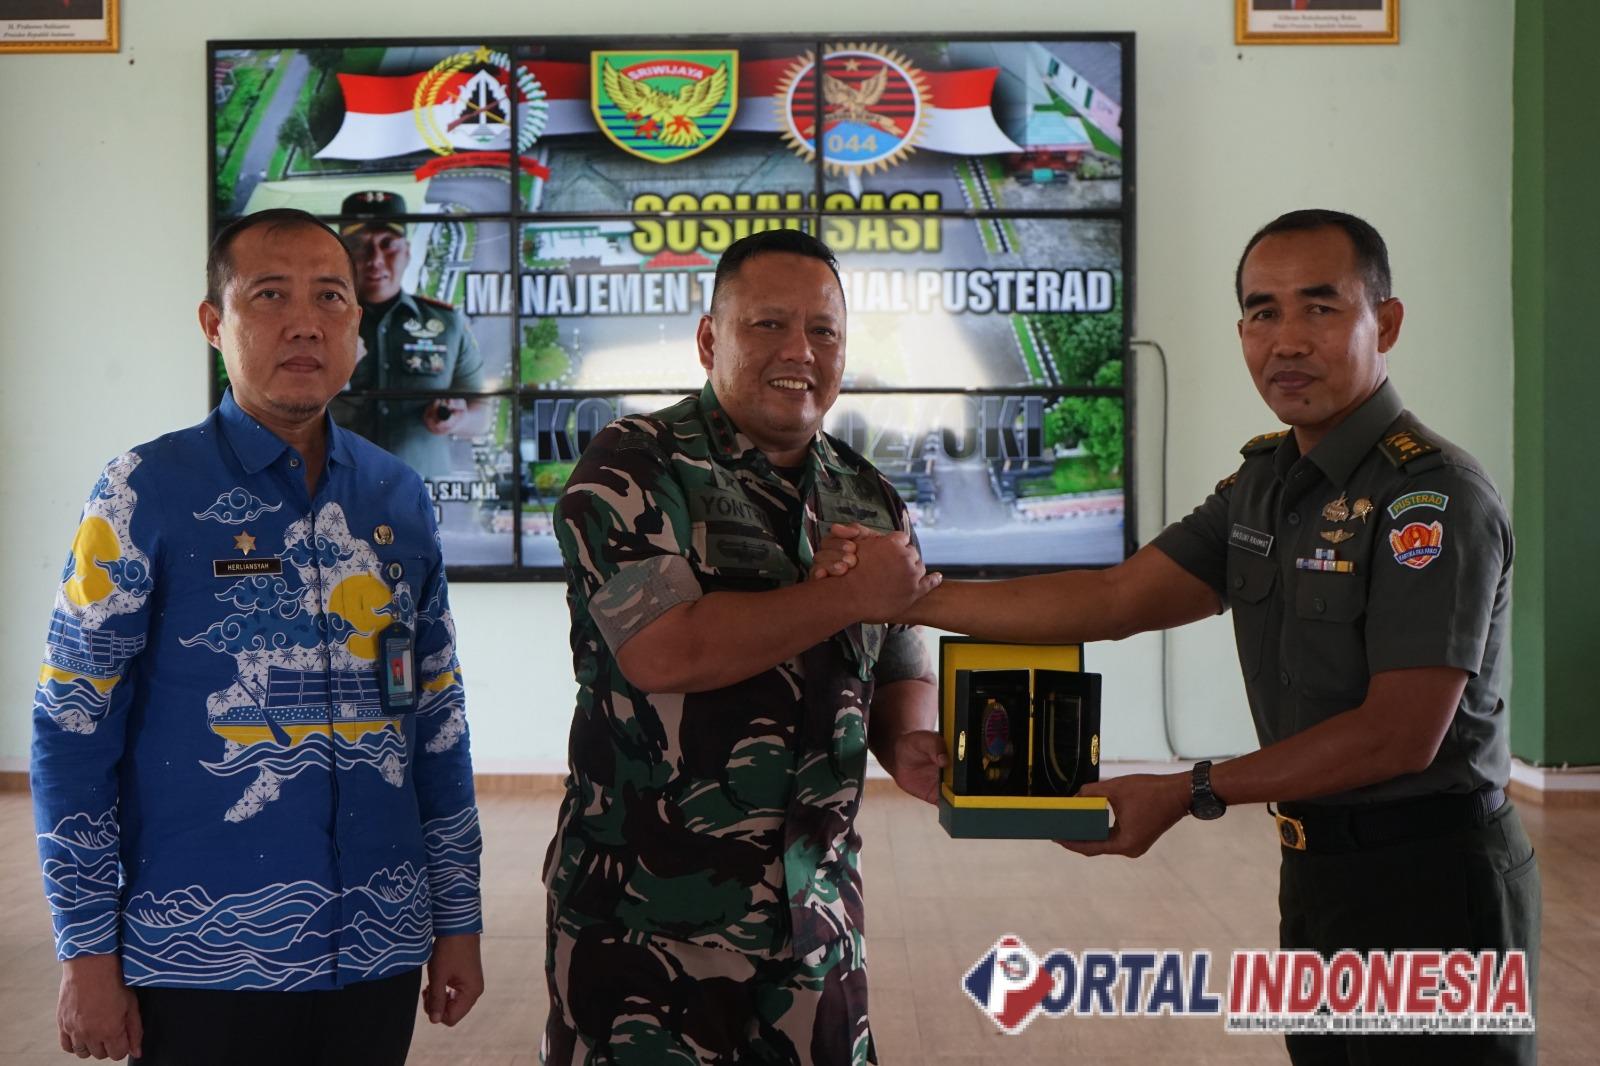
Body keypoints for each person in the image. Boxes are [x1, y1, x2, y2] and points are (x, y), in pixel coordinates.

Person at [826, 209, 1538, 1066]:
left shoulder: (1432, 497)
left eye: (1320, 308)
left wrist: (1189, 789)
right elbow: (1114, 598)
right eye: (1263, 312)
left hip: (1434, 879)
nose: (1287, 340)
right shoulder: (1265, 485)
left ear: (1384, 323)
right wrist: (908, 599)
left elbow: (1399, 733)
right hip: (1317, 870)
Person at [32, 208, 484, 1064]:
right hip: (199, 953)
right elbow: (71, 726)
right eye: (270, 295)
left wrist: (457, 920)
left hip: (379, 947)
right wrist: (85, 952)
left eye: (330, 297)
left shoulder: (397, 495)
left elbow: (435, 718)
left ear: (357, 325)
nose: (305, 322)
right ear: (215, 323)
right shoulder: (142, 491)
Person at [541, 229, 945, 1065]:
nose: (800, 351)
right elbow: (664, 652)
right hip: (646, 933)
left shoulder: (869, 494)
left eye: (824, 330)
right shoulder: (633, 466)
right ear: (708, 339)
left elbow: (898, 655)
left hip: (817, 927)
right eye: (769, 324)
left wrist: (910, 744)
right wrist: (843, 596)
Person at [336, 190, 490, 477]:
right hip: (338, 488)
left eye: (388, 244)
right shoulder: (316, 325)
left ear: (407, 252)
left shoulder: (446, 323)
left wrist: (458, 419)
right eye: (359, 245)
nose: (375, 259)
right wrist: (334, 373)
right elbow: (283, 414)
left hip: (423, 490)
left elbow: (482, 412)